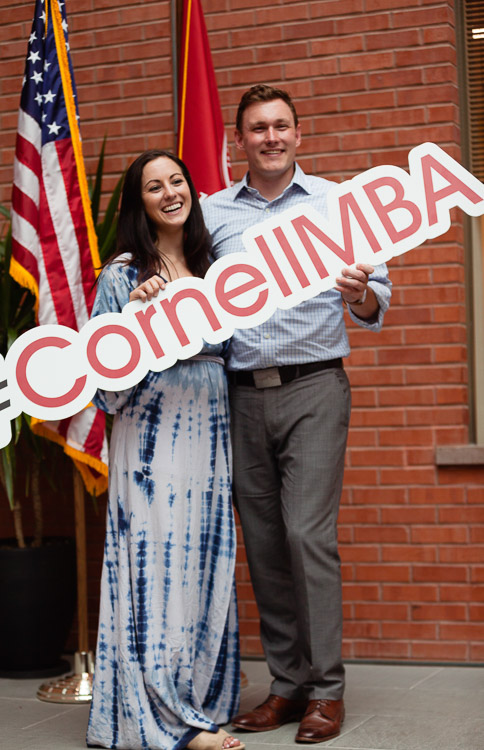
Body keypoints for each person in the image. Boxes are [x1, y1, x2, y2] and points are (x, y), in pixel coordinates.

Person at [201, 85, 392, 744]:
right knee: (265, 542)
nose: (271, 137)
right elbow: (186, 295)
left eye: (281, 126)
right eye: (258, 128)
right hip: (240, 392)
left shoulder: (339, 206)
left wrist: (362, 292)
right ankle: (286, 686)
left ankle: (327, 692)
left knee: (306, 535)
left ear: (299, 135)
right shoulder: (212, 213)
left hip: (315, 387)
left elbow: (375, 307)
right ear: (240, 139)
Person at [86, 150, 243, 750]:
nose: (170, 192)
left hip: (209, 432)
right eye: (155, 187)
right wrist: (136, 322)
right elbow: (106, 390)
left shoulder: (214, 267)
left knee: (203, 566)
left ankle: (197, 699)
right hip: (151, 439)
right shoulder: (122, 275)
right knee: (157, 569)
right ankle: (165, 716)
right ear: (139, 204)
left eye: (177, 180)